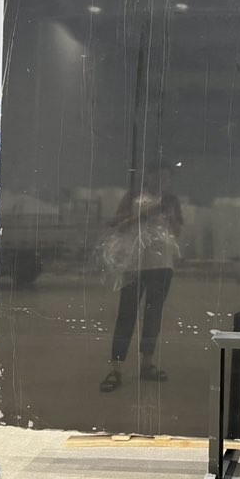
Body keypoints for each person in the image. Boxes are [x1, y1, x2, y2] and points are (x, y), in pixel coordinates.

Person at [99, 162, 182, 393]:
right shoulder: (133, 197)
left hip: (162, 266)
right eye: (159, 176)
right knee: (126, 314)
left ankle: (147, 364)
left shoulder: (171, 200)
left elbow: (177, 231)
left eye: (167, 178)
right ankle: (116, 368)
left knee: (153, 315)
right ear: (149, 177)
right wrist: (143, 214)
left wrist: (169, 216)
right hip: (134, 265)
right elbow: (116, 224)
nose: (162, 181)